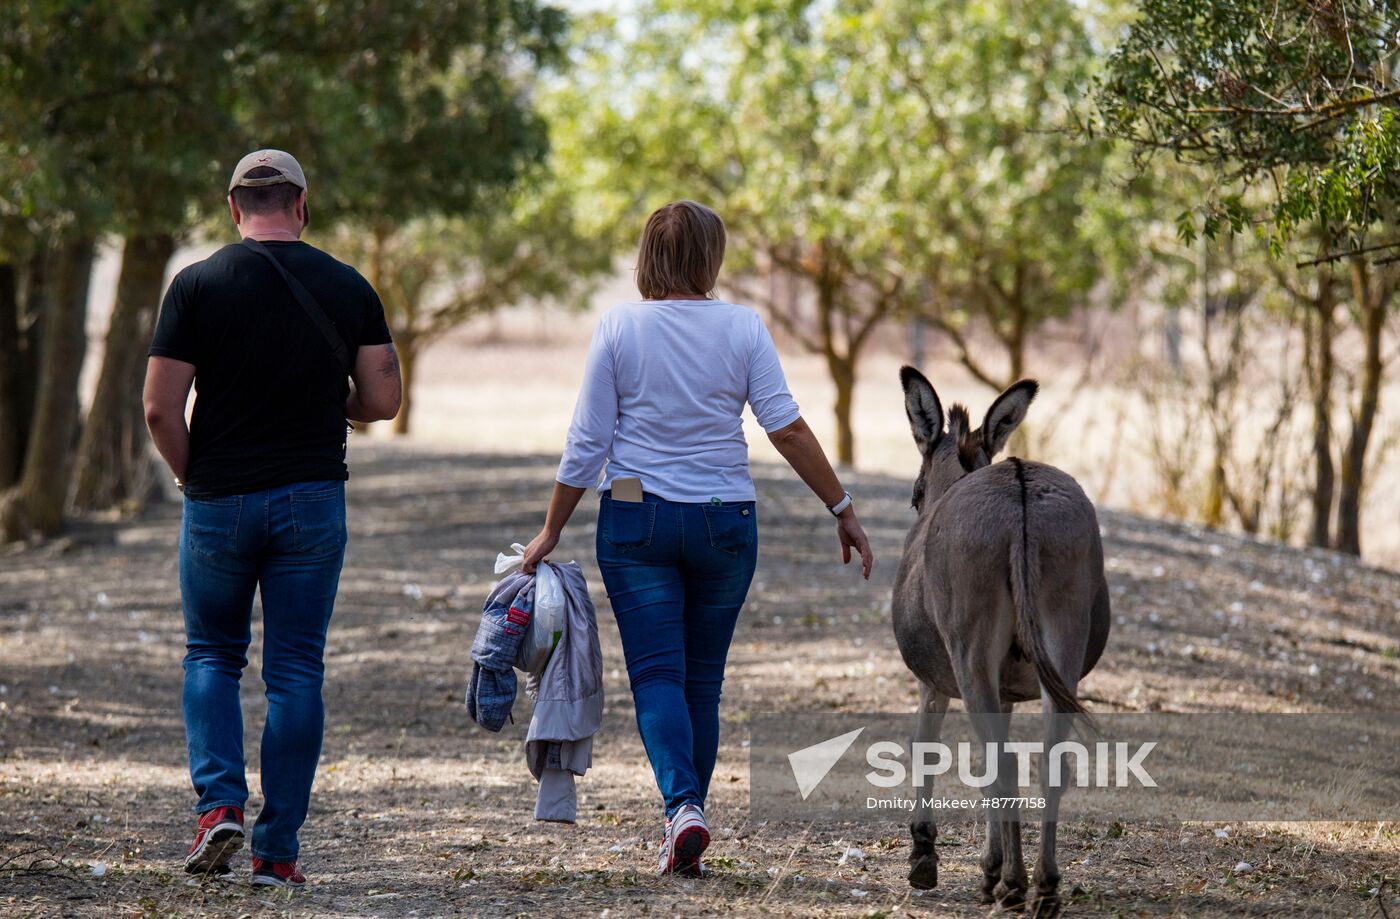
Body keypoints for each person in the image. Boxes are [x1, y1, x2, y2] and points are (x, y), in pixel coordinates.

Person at [522, 200, 874, 876]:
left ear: (648, 255)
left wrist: (551, 529)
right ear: (710, 258)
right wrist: (842, 506)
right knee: (701, 683)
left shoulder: (620, 324)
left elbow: (588, 441)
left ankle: (682, 808)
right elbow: (787, 427)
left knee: (658, 672)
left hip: (635, 516)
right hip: (724, 522)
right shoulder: (742, 326)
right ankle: (686, 822)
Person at [143, 149, 402, 888]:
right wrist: (336, 401)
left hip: (219, 499)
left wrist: (198, 478)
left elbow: (160, 406)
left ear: (233, 208)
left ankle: (219, 802)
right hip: (312, 500)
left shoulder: (195, 285)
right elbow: (382, 401)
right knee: (295, 669)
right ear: (302, 203)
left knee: (212, 656)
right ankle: (276, 852)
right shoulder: (348, 285)